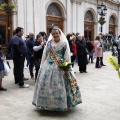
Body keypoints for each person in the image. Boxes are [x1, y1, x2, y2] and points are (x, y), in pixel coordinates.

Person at [32, 26, 82, 111]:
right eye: (53, 34)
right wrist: (42, 64)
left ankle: (63, 103)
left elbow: (66, 56)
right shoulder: (49, 43)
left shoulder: (64, 43)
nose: (55, 35)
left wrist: (66, 67)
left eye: (57, 33)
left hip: (60, 66)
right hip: (48, 65)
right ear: (51, 35)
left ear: (60, 34)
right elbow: (45, 54)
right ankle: (45, 103)